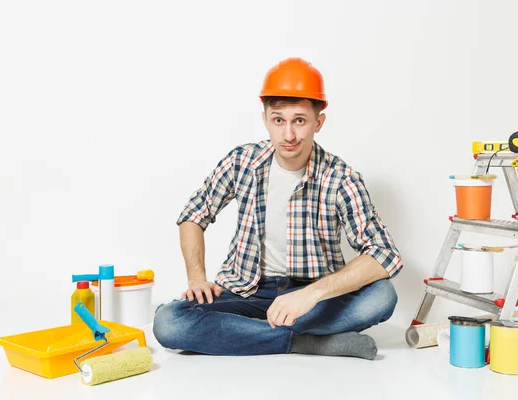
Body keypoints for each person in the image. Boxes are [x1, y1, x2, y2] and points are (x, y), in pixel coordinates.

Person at [153, 58, 403, 360]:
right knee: (168, 321)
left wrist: (309, 295)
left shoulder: (341, 178)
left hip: (313, 296)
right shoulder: (242, 162)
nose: (288, 135)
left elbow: (384, 254)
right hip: (246, 290)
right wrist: (196, 279)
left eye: (299, 120)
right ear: (265, 119)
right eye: (278, 120)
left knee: (382, 297)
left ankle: (241, 333)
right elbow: (193, 215)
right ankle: (304, 342)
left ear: (318, 122)